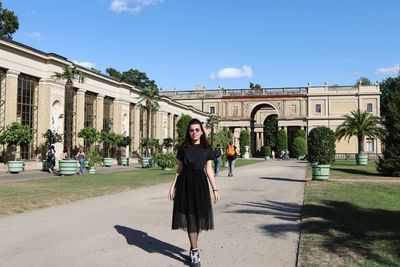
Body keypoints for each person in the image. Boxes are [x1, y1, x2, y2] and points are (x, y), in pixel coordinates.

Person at [168, 118, 220, 267]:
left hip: (201, 184)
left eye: (197, 130)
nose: (194, 133)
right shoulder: (183, 148)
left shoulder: (207, 148)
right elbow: (179, 169)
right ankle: (195, 252)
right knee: (190, 217)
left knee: (198, 219)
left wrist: (215, 189)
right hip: (185, 184)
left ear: (202, 131)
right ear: (188, 132)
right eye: (191, 130)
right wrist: (172, 187)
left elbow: (209, 170)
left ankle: (192, 246)